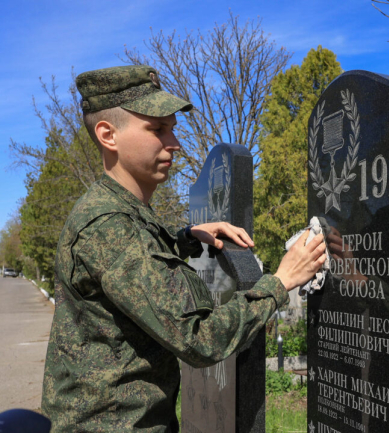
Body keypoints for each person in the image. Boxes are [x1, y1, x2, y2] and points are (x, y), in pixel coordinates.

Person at [41, 65, 327, 433]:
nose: (174, 143)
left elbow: (138, 265)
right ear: (108, 135)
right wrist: (281, 281)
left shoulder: (117, 212)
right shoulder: (108, 227)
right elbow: (200, 339)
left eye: (173, 129)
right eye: (158, 129)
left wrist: (188, 236)